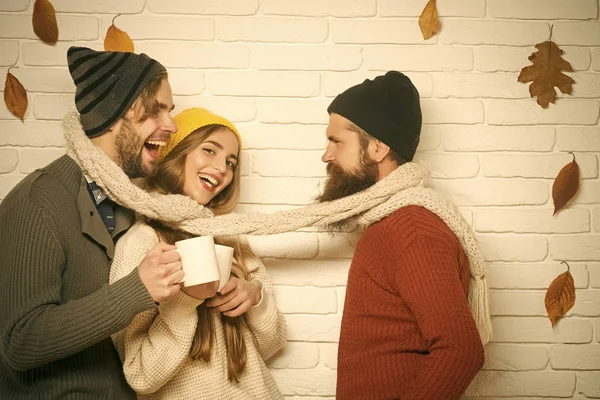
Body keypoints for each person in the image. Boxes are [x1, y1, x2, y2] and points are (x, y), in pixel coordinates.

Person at [0, 46, 182, 399]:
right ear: (115, 114)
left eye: (169, 112)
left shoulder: (134, 207)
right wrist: (136, 290)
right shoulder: (37, 202)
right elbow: (20, 343)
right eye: (157, 110)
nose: (172, 125)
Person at [318, 71, 486, 399]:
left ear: (379, 147)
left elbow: (462, 351)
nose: (327, 154)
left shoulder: (411, 229)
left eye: (337, 141)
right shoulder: (391, 222)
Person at [109, 108, 286, 399]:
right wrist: (186, 301)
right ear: (176, 153)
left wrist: (255, 298)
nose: (222, 168)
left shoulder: (230, 236)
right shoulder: (140, 243)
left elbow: (272, 344)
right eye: (209, 151)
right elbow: (140, 375)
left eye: (231, 162)